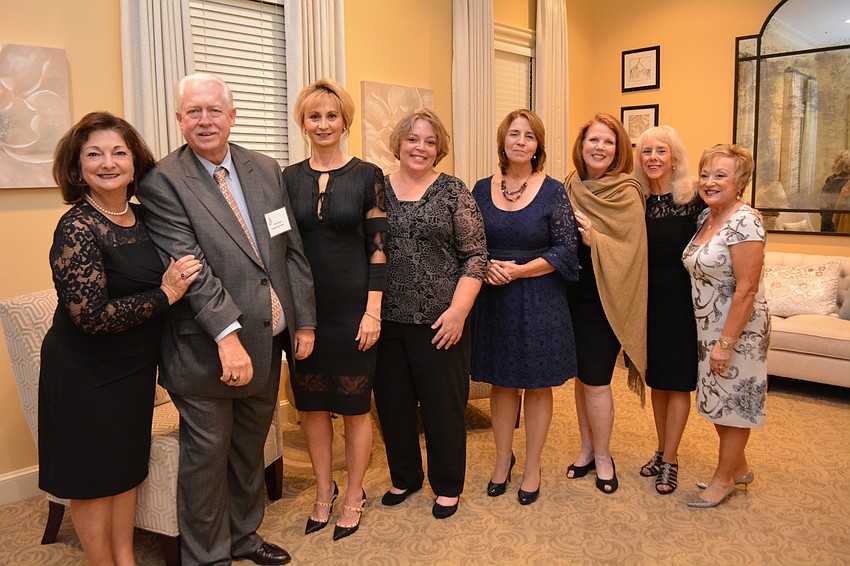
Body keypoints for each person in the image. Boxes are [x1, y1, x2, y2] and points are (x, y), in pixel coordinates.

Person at [137, 72, 316, 565]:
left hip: (269, 339)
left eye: (214, 110)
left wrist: (303, 320)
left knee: (247, 451)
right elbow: (190, 267)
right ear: (179, 120)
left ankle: (243, 537)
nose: (205, 120)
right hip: (206, 349)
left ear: (232, 116)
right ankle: (207, 556)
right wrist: (227, 335)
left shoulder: (263, 167)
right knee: (208, 458)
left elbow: (289, 250)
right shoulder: (162, 182)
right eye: (193, 111)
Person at [39, 111, 200, 565]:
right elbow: (91, 316)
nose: (107, 163)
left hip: (133, 370)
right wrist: (165, 294)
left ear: (134, 162)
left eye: (118, 152)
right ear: (78, 166)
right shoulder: (77, 227)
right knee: (94, 481)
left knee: (127, 471)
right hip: (84, 373)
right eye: (94, 154)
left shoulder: (146, 218)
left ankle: (125, 558)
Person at [284, 78, 387, 540]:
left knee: (354, 408)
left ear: (345, 120)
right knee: (312, 407)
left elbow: (380, 249)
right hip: (306, 312)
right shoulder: (286, 179)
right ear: (303, 123)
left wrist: (373, 311)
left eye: (331, 115)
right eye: (314, 116)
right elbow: (280, 248)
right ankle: (324, 492)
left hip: (354, 309)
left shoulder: (367, 176)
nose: (323, 124)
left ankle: (354, 494)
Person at [373, 108, 487, 520]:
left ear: (439, 149)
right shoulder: (378, 190)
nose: (420, 148)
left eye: (429, 141)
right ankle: (404, 477)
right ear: (399, 144)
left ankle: (448, 484)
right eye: (412, 139)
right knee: (392, 404)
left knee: (442, 407)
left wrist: (459, 312)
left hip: (441, 321)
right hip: (386, 320)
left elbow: (475, 256)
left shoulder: (454, 191)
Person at [471, 109, 579, 506]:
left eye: (529, 136)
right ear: (502, 141)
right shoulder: (481, 189)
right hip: (494, 296)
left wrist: (520, 271)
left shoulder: (553, 191)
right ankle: (503, 460)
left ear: (538, 146)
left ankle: (532, 466)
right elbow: (467, 242)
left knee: (536, 385)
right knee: (501, 383)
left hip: (539, 297)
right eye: (513, 134)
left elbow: (567, 249)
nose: (520, 141)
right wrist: (486, 266)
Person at [563, 113, 648, 495]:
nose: (599, 147)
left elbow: (632, 249)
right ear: (581, 146)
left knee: (597, 381)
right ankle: (585, 448)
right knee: (581, 380)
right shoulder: (568, 185)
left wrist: (594, 236)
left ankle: (603, 456)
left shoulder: (626, 191)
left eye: (608, 141)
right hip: (569, 294)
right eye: (593, 140)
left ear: (618, 150)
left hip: (606, 297)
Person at [682, 144, 769, 508]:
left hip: (738, 329)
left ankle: (724, 479)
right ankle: (740, 467)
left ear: (741, 182)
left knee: (733, 405)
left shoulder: (745, 220)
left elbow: (747, 288)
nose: (709, 181)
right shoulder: (707, 216)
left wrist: (727, 342)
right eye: (705, 174)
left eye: (720, 175)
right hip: (709, 327)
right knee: (718, 401)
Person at [634, 126, 705, 495]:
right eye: (646, 152)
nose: (653, 158)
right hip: (648, 304)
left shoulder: (693, 199)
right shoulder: (637, 202)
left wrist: (744, 209)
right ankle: (661, 450)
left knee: (678, 383)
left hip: (682, 304)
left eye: (661, 151)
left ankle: (672, 460)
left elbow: (724, 221)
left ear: (673, 156)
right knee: (658, 382)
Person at [819, 150, 850, 232]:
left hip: (826, 222)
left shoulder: (829, 181)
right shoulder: (847, 184)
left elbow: (822, 207)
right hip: (840, 225)